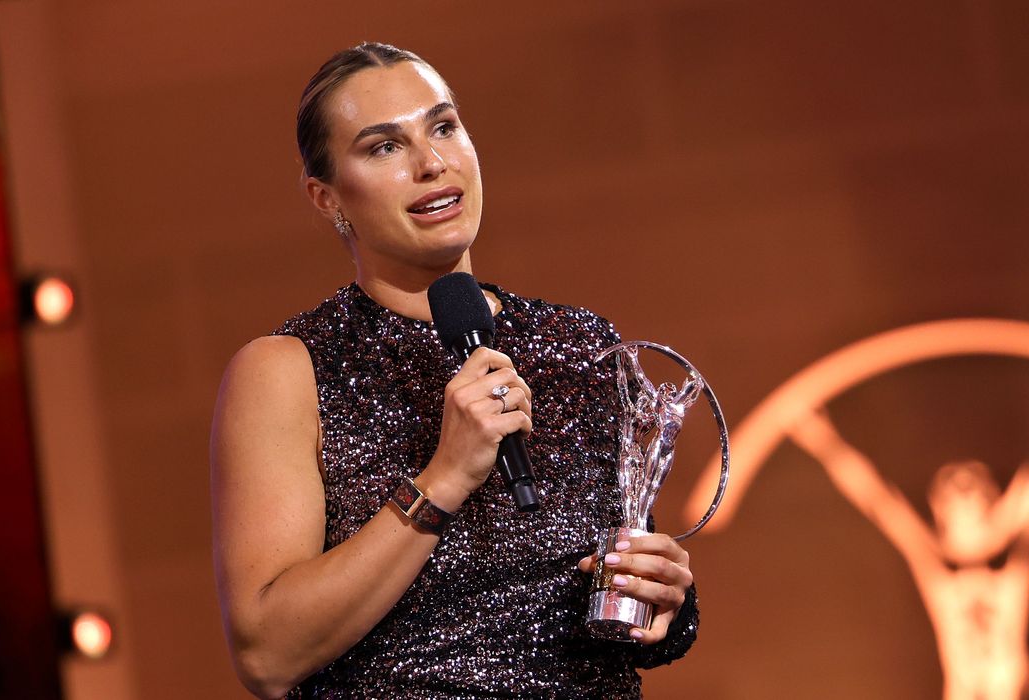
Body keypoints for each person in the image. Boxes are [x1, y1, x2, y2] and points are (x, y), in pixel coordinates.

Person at [209, 42, 698, 699]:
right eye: (384, 147)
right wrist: (443, 478)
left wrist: (661, 605)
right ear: (327, 198)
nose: (431, 163)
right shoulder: (288, 371)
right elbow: (267, 654)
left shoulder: (585, 346)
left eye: (443, 127)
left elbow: (617, 605)